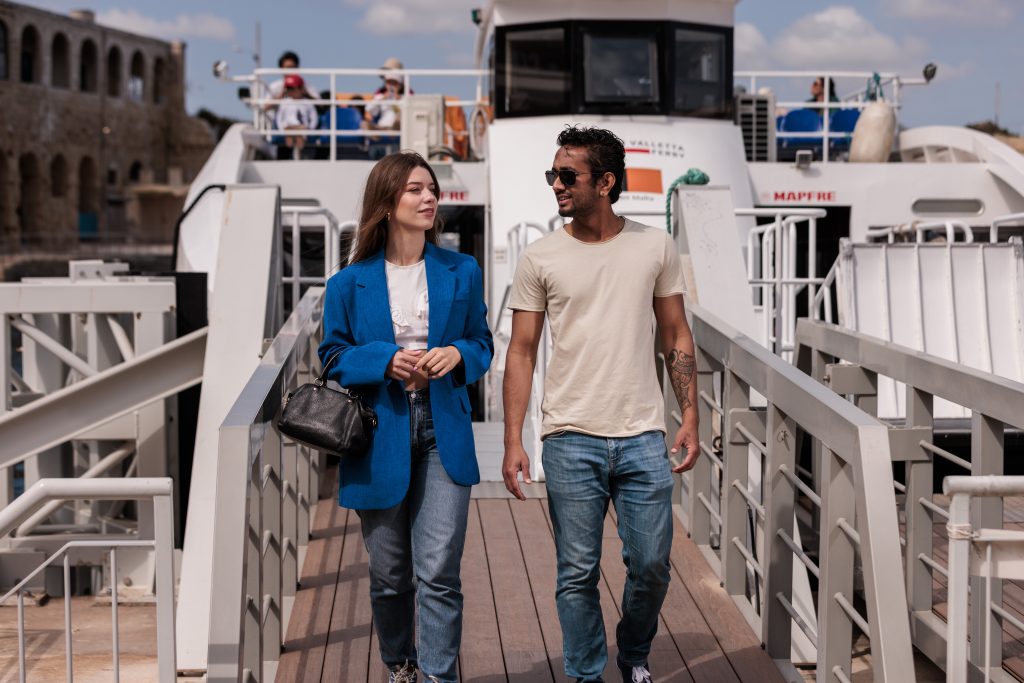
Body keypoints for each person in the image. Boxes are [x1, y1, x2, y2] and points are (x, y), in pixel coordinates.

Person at [501, 125, 700, 683]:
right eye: (553, 175)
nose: (557, 186)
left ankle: (633, 654)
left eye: (569, 176)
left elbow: (676, 334)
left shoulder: (654, 246)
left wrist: (689, 414)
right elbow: (521, 352)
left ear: (606, 182)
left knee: (653, 567)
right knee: (576, 573)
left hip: (642, 435)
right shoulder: (540, 257)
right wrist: (514, 439)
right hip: (568, 437)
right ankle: (586, 674)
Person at [319, 151, 493, 683]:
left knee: (439, 570)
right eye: (415, 189)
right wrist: (384, 361)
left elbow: (483, 343)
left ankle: (440, 677)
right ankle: (400, 665)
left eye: (431, 189)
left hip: (444, 430)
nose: (428, 198)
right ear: (388, 202)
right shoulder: (349, 283)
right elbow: (330, 357)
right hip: (378, 432)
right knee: (391, 574)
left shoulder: (461, 269)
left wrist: (459, 355)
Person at [366, 57, 408, 159]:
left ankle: (387, 132)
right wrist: (381, 99)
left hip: (397, 128)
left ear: (400, 85)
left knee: (398, 118)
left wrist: (397, 101)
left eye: (395, 83)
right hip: (382, 126)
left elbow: (406, 113)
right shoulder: (380, 96)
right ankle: (376, 133)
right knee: (365, 124)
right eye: (389, 82)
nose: (391, 85)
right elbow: (369, 109)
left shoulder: (404, 98)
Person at [274, 74, 318, 159]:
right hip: (288, 128)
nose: (290, 91)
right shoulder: (285, 102)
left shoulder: (307, 102)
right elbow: (279, 118)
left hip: (302, 128)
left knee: (300, 132)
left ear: (301, 88)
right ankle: (291, 157)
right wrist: (281, 130)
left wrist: (310, 129)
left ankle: (300, 156)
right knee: (290, 132)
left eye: (292, 88)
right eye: (288, 89)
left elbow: (314, 117)